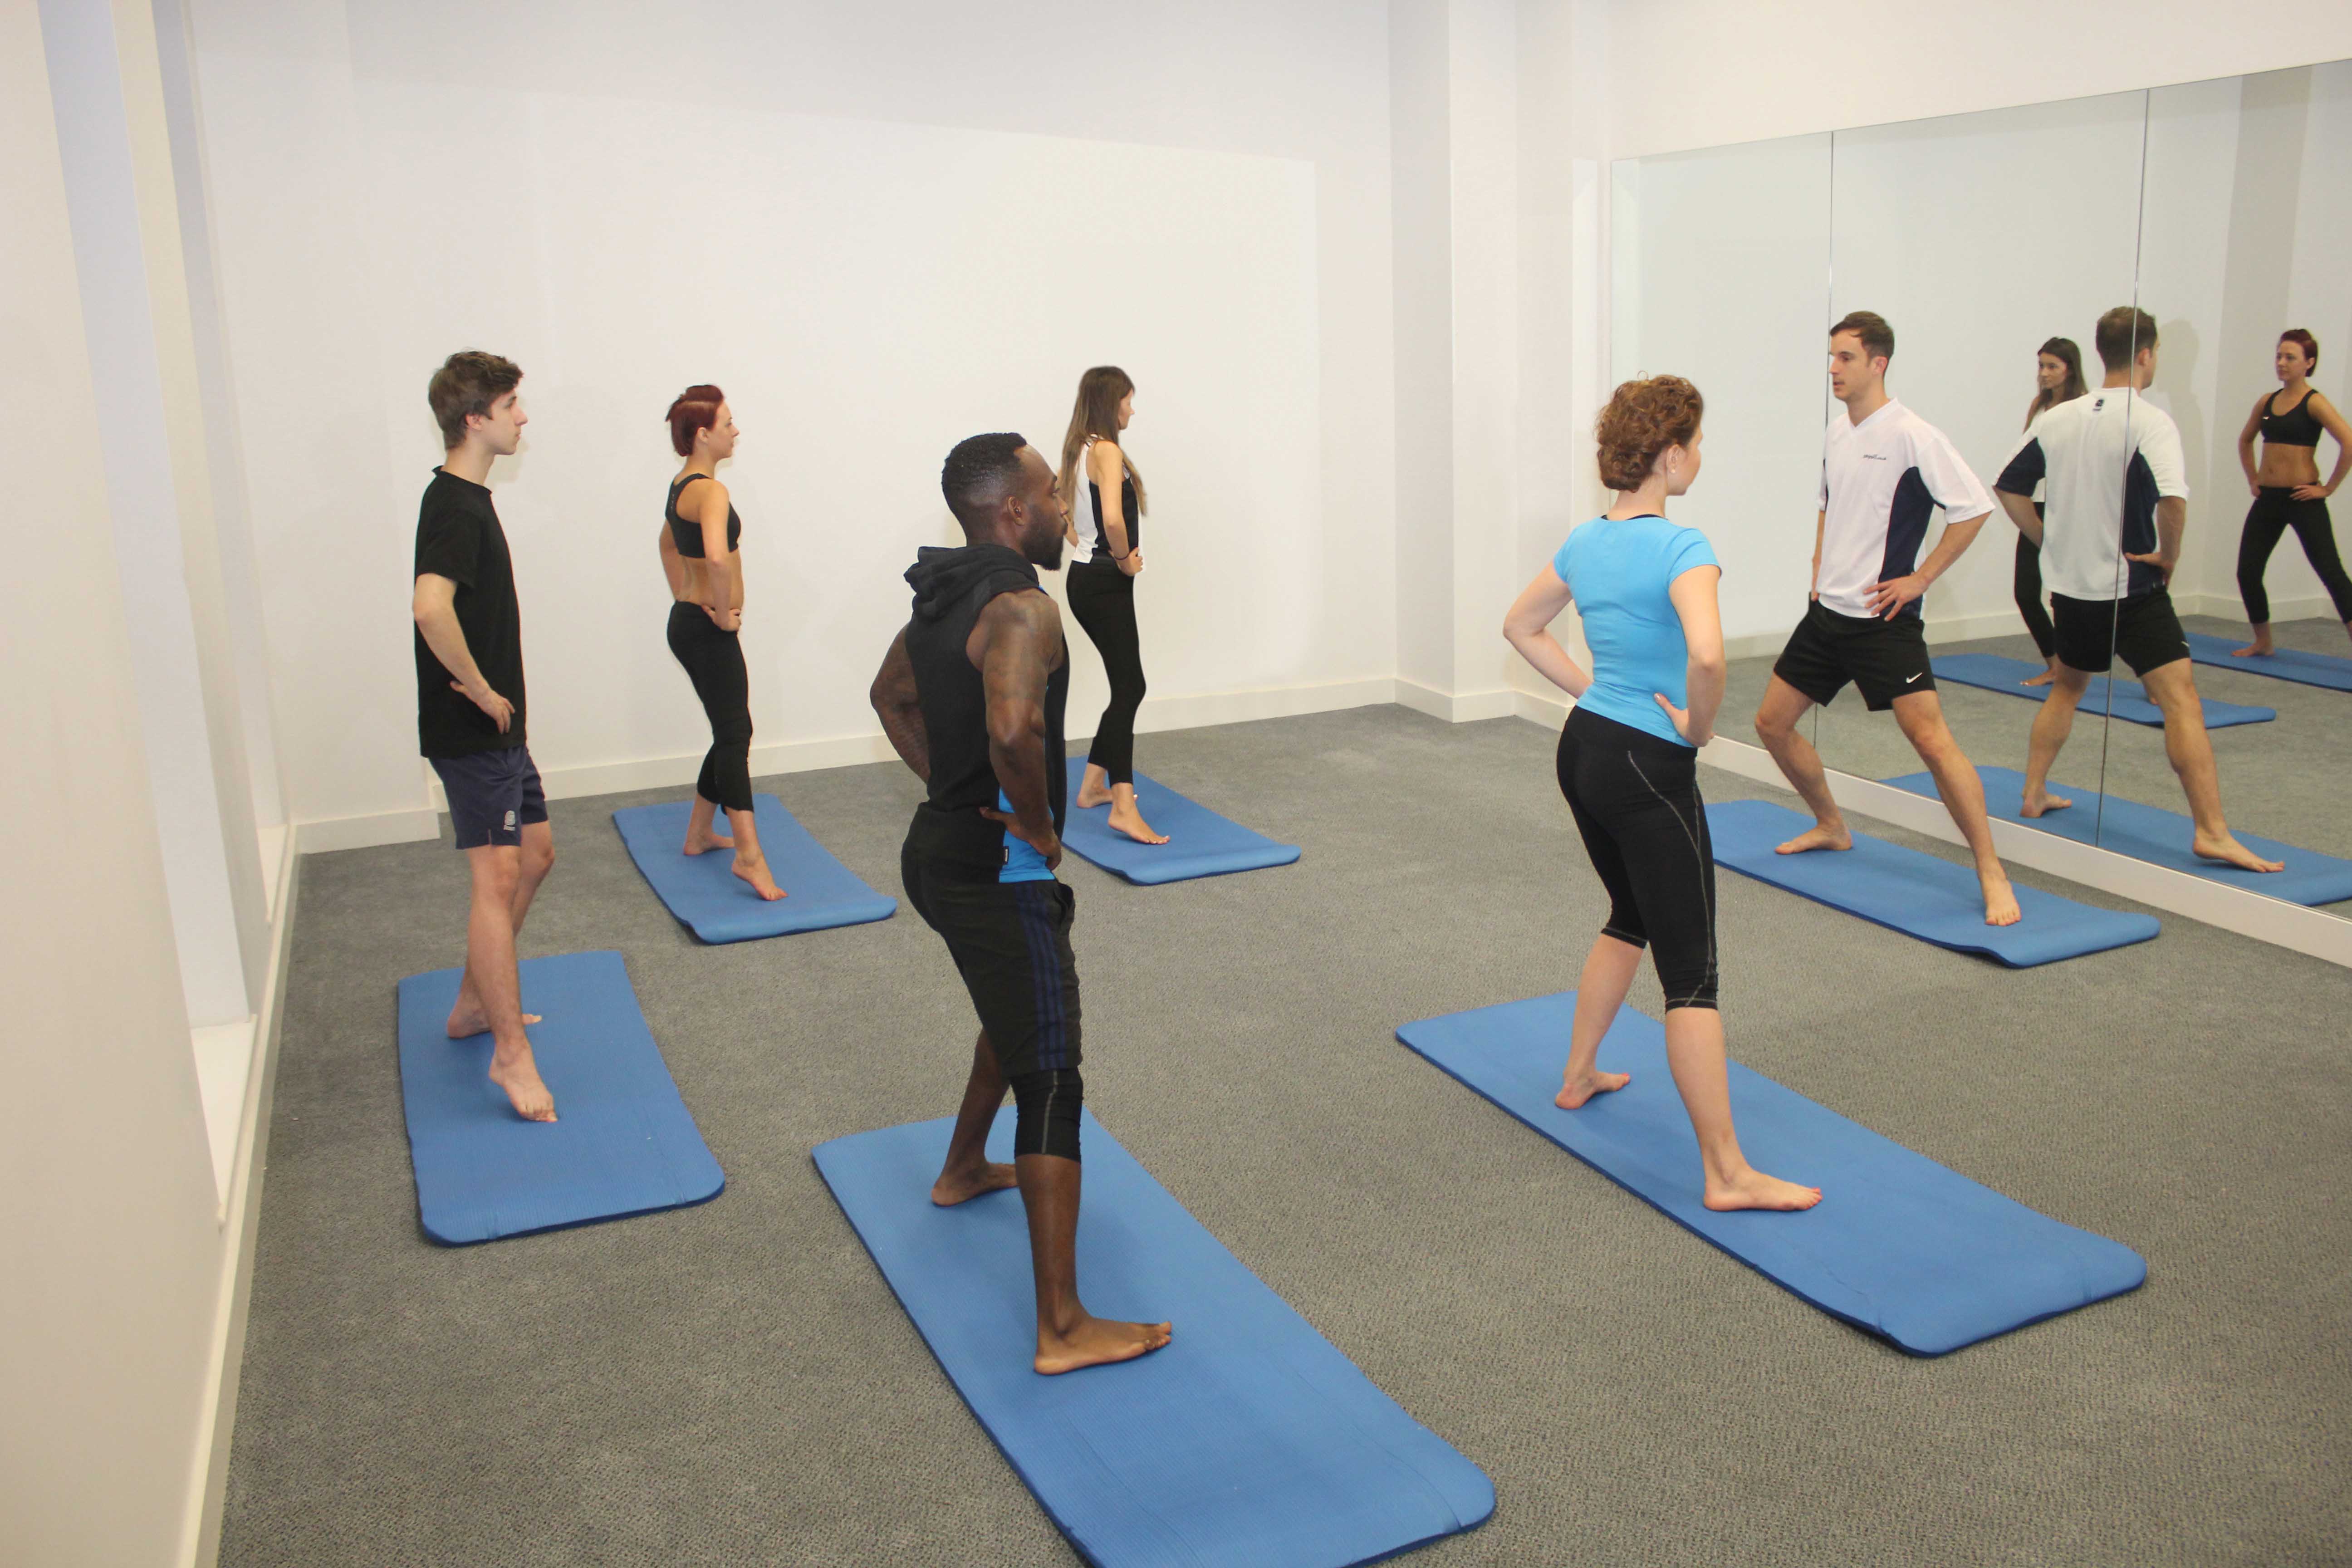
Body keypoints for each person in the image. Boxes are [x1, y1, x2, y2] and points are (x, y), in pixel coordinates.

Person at [869, 431, 1173, 1374]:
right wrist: (1034, 828)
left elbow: (892, 697)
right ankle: (1063, 1327)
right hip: (996, 870)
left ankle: (963, 1169)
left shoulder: (943, 590)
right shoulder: (1023, 608)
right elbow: (1013, 728)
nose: (1063, 508)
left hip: (935, 854)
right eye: (1051, 493)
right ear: (1014, 512)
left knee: (1015, 1009)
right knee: (1054, 1073)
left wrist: (954, 793)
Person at [1504, 376, 1820, 1213]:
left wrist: (1591, 690)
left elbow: (1518, 626)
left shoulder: (1583, 540)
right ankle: (1726, 1174)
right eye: (1697, 442)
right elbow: (1708, 659)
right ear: (1670, 454)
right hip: (1647, 762)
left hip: (1584, 753)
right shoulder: (1683, 548)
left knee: (1627, 914)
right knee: (1691, 976)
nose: (1700, 457)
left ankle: (1577, 1074)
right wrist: (1696, 725)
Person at [1753, 311, 2021, 926]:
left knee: (1931, 741)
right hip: (1828, 616)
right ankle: (1830, 824)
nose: (1833, 369)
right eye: (1831, 357)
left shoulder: (1912, 435)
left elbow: (1974, 508)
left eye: (1845, 357)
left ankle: (1991, 871)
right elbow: (1828, 504)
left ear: (1879, 363)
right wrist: (1819, 568)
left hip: (1883, 619)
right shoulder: (1836, 433)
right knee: (1772, 723)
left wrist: (1922, 578)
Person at [1992, 307, 2283, 874]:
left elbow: (2007, 486)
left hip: (2073, 590)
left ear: (2100, 355)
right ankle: (2212, 832)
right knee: (2182, 700)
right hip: (2132, 588)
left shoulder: (2059, 418)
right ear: (2147, 354)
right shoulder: (2150, 421)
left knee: (2069, 687)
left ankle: (2033, 793)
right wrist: (2169, 556)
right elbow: (2173, 500)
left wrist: (2048, 540)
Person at [411, 351, 557, 1122]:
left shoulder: (468, 496)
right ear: (476, 418)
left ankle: (473, 1004)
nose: (521, 416)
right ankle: (508, 1053)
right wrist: (475, 687)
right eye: (511, 404)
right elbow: (430, 607)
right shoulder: (454, 507)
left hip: (499, 730)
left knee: (536, 856)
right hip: (473, 732)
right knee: (494, 880)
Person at [657, 385, 784, 901]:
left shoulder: (682, 485)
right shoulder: (711, 492)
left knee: (731, 726)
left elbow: (666, 545)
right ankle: (749, 857)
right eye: (728, 424)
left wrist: (687, 598)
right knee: (735, 734)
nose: (736, 431)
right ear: (704, 434)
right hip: (707, 632)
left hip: (688, 623)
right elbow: (714, 557)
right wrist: (725, 616)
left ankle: (699, 833)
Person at [1058, 366, 1165, 845]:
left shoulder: (1080, 449)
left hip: (1086, 578)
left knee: (1127, 686)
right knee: (1130, 688)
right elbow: (1114, 522)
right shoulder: (1106, 449)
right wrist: (1122, 561)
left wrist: (1084, 546)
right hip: (1104, 580)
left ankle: (1092, 787)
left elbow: (1065, 512)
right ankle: (1123, 805)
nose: (1132, 409)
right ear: (1111, 401)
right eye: (1128, 400)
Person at [2230, 329, 2352, 657]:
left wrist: (2327, 489)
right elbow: (2245, 440)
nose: (2282, 363)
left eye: (2291, 358)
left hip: (2303, 500)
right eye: (2279, 356)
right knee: (2248, 571)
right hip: (2269, 499)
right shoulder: (2267, 402)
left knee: (2331, 572)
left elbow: (2349, 443)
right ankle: (2263, 641)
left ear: (2309, 363)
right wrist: (2253, 478)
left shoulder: (2315, 403)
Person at [2014, 338, 2087, 686]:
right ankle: (2055, 664)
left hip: (2066, 508)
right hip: (2034, 505)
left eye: (2052, 367)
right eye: (2041, 366)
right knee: (2026, 592)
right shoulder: (2039, 406)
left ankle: (2072, 667)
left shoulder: (2082, 409)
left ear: (2070, 370)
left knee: (2065, 596)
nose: (2044, 374)